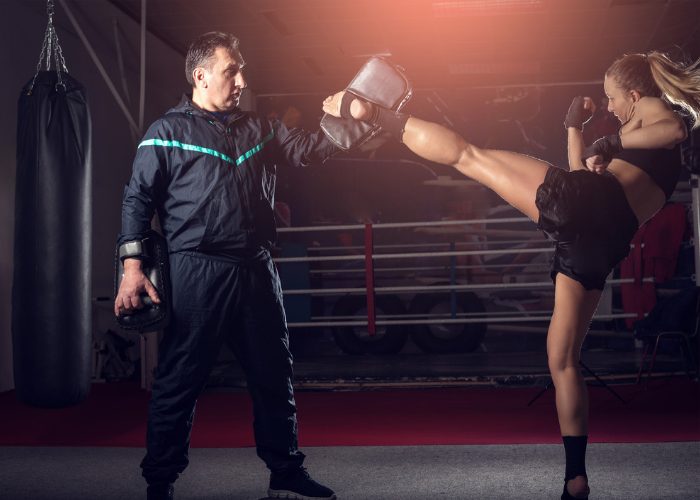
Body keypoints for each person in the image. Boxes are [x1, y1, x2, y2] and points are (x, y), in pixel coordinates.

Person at [323, 51, 700, 499]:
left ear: (635, 95)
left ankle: (375, 116)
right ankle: (575, 478)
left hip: (588, 208)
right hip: (596, 244)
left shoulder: (657, 116)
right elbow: (582, 173)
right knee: (562, 362)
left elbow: (675, 127)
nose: (610, 108)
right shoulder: (636, 135)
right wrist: (574, 128)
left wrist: (610, 144)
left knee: (468, 155)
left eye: (612, 98)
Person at [114, 32, 339, 500]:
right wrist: (131, 269)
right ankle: (160, 481)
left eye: (241, 70)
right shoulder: (166, 133)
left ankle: (286, 474)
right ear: (200, 76)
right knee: (179, 379)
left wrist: (353, 114)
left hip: (257, 271)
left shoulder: (262, 127)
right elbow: (137, 199)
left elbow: (313, 149)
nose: (240, 79)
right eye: (230, 70)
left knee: (274, 375)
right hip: (197, 270)